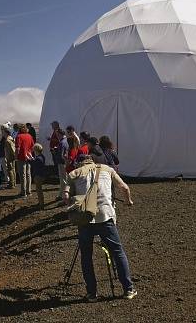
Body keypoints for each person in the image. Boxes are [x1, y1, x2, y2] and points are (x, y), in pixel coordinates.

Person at [63, 154, 137, 302]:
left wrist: (72, 205)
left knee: (86, 256)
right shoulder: (107, 169)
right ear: (92, 160)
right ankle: (128, 289)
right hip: (105, 216)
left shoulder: (74, 173)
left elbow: (65, 196)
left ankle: (91, 293)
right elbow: (124, 187)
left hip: (85, 219)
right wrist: (128, 201)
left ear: (79, 163)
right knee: (117, 252)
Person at [15, 125, 35, 197]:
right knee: (28, 174)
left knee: (22, 175)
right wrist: (29, 152)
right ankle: (28, 191)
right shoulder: (29, 136)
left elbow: (17, 148)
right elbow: (33, 146)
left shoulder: (19, 136)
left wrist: (16, 157)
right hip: (28, 157)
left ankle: (23, 192)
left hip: (21, 157)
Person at [52, 129, 69, 199]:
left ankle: (62, 195)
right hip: (65, 162)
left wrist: (55, 152)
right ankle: (64, 193)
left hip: (62, 163)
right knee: (65, 178)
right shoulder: (66, 140)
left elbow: (61, 155)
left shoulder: (62, 142)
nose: (57, 136)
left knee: (63, 179)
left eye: (57, 134)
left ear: (60, 134)